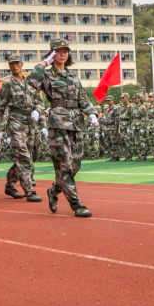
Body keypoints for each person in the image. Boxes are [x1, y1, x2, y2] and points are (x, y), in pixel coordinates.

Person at [28, 38, 100, 216]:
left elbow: (83, 98)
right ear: (52, 54)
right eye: (58, 51)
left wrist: (91, 112)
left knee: (75, 165)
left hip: (76, 123)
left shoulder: (72, 76)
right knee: (65, 165)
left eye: (65, 51)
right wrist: (44, 63)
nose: (62, 54)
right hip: (58, 123)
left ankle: (54, 190)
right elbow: (30, 82)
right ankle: (77, 205)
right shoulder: (46, 75)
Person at [0, 54, 42, 201]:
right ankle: (29, 190)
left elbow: (39, 101)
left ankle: (10, 185)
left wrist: (37, 110)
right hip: (16, 122)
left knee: (31, 155)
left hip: (31, 123)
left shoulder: (30, 82)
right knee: (23, 156)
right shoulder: (8, 84)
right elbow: (0, 107)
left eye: (17, 63)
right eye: (11, 64)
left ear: (22, 65)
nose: (14, 66)